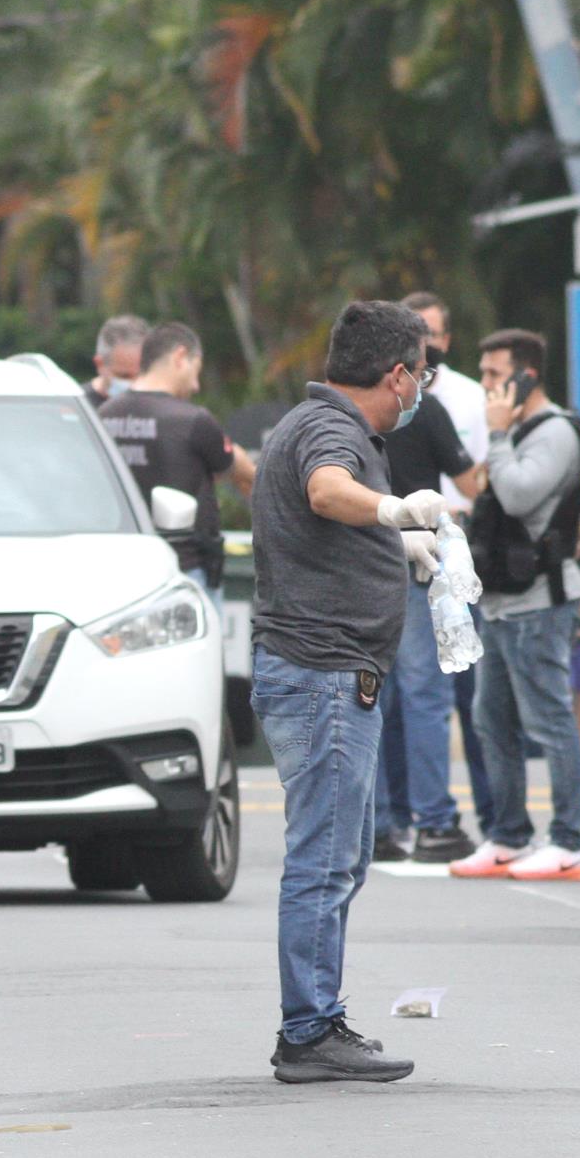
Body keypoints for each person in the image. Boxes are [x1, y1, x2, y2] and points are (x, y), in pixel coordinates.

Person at [246, 298, 444, 1085]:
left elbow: (324, 528)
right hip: (322, 675)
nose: (421, 390)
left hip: (329, 673)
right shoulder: (331, 433)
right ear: (396, 376)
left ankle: (316, 1020)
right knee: (324, 860)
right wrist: (393, 510)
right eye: (420, 376)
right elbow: (328, 493)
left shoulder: (317, 423)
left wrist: (400, 548)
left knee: (341, 856)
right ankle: (309, 1030)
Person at [449, 329, 580, 882]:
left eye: (494, 375)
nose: (486, 386)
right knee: (492, 719)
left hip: (540, 602)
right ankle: (509, 835)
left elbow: (516, 494)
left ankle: (569, 841)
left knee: (550, 720)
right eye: (483, 374)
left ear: (527, 375)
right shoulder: (517, 430)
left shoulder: (553, 432)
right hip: (503, 601)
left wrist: (498, 435)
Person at [367, 291, 483, 865]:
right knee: (427, 694)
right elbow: (471, 479)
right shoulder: (426, 410)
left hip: (364, 560)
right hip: (419, 563)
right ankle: (435, 820)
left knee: (374, 695)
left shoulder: (349, 416)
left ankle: (380, 824)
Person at [98, 321, 253, 593]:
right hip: (184, 569)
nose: (195, 385)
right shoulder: (192, 420)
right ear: (180, 357)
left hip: (119, 566)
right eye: (196, 371)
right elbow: (233, 466)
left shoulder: (104, 415)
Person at [89, 314, 148, 401]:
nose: (135, 385)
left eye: (142, 375)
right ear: (100, 364)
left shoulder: (161, 406)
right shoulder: (79, 406)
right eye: (125, 377)